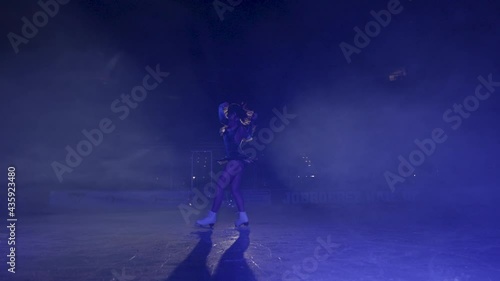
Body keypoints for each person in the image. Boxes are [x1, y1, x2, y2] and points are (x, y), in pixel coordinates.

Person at [196, 102, 257, 227]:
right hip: (238, 163)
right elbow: (239, 144)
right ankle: (243, 217)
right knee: (235, 190)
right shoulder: (239, 127)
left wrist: (221, 106)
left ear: (234, 115)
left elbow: (221, 117)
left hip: (234, 163)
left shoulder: (235, 126)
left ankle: (211, 217)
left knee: (219, 187)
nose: (227, 116)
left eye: (229, 114)